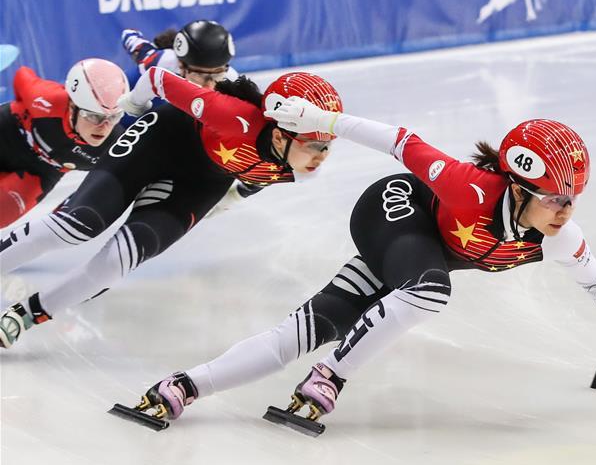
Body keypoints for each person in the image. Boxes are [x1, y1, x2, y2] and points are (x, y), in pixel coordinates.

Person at [129, 100, 596, 426]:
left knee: (307, 328)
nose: (564, 212)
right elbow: (400, 140)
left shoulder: (556, 235)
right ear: (518, 187)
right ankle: (331, 377)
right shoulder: (471, 187)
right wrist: (321, 121)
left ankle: (181, 387)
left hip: (415, 259)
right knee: (429, 291)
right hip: (391, 212)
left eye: (572, 200)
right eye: (553, 199)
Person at [0, 68, 342, 348]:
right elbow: (155, 78)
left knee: (122, 259)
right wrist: (134, 107)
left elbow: (252, 183)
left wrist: (227, 202)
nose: (322, 158)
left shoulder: (300, 168)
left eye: (328, 146)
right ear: (281, 136)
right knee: (78, 224)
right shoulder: (232, 116)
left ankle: (25, 316)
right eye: (315, 146)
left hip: (200, 183)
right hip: (159, 141)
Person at [0, 59, 128, 227]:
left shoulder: (115, 147)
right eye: (94, 116)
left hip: (40, 172)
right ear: (73, 106)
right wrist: (22, 109)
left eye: (113, 118)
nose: (103, 128)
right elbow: (21, 74)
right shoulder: (46, 98)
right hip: (8, 132)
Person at [120, 19, 237, 88]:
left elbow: (129, 36)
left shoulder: (232, 79)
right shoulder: (162, 62)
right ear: (180, 64)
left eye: (217, 73)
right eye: (199, 74)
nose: (209, 86)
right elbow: (129, 36)